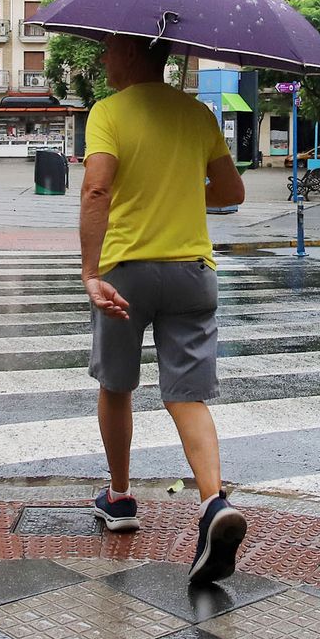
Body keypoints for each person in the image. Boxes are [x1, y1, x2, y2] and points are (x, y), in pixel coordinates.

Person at [79, 34, 248, 586]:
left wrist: (90, 273)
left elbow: (96, 192)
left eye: (108, 51)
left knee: (117, 384)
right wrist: (176, 191)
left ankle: (121, 498)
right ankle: (212, 503)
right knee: (188, 394)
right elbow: (231, 190)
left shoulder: (107, 112)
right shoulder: (196, 112)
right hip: (191, 272)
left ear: (132, 56)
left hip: (126, 270)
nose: (104, 59)